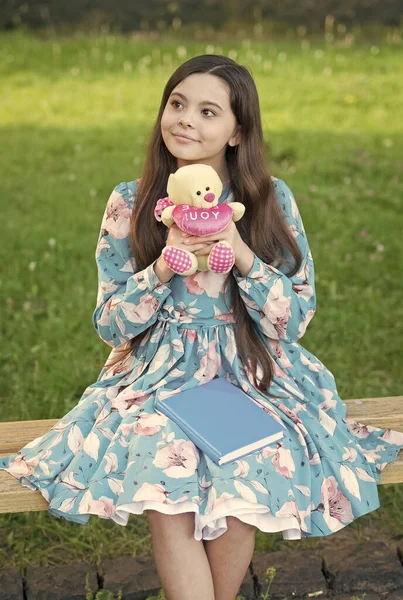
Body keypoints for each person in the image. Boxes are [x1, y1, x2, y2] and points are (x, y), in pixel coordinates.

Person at [1, 53, 403, 600]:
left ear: (238, 132)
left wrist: (241, 256)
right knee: (165, 484)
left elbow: (295, 318)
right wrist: (164, 265)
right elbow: (112, 323)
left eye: (209, 111)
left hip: (253, 371)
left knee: (245, 469)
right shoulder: (131, 201)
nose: (186, 119)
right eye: (177, 103)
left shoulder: (266, 201)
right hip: (157, 375)